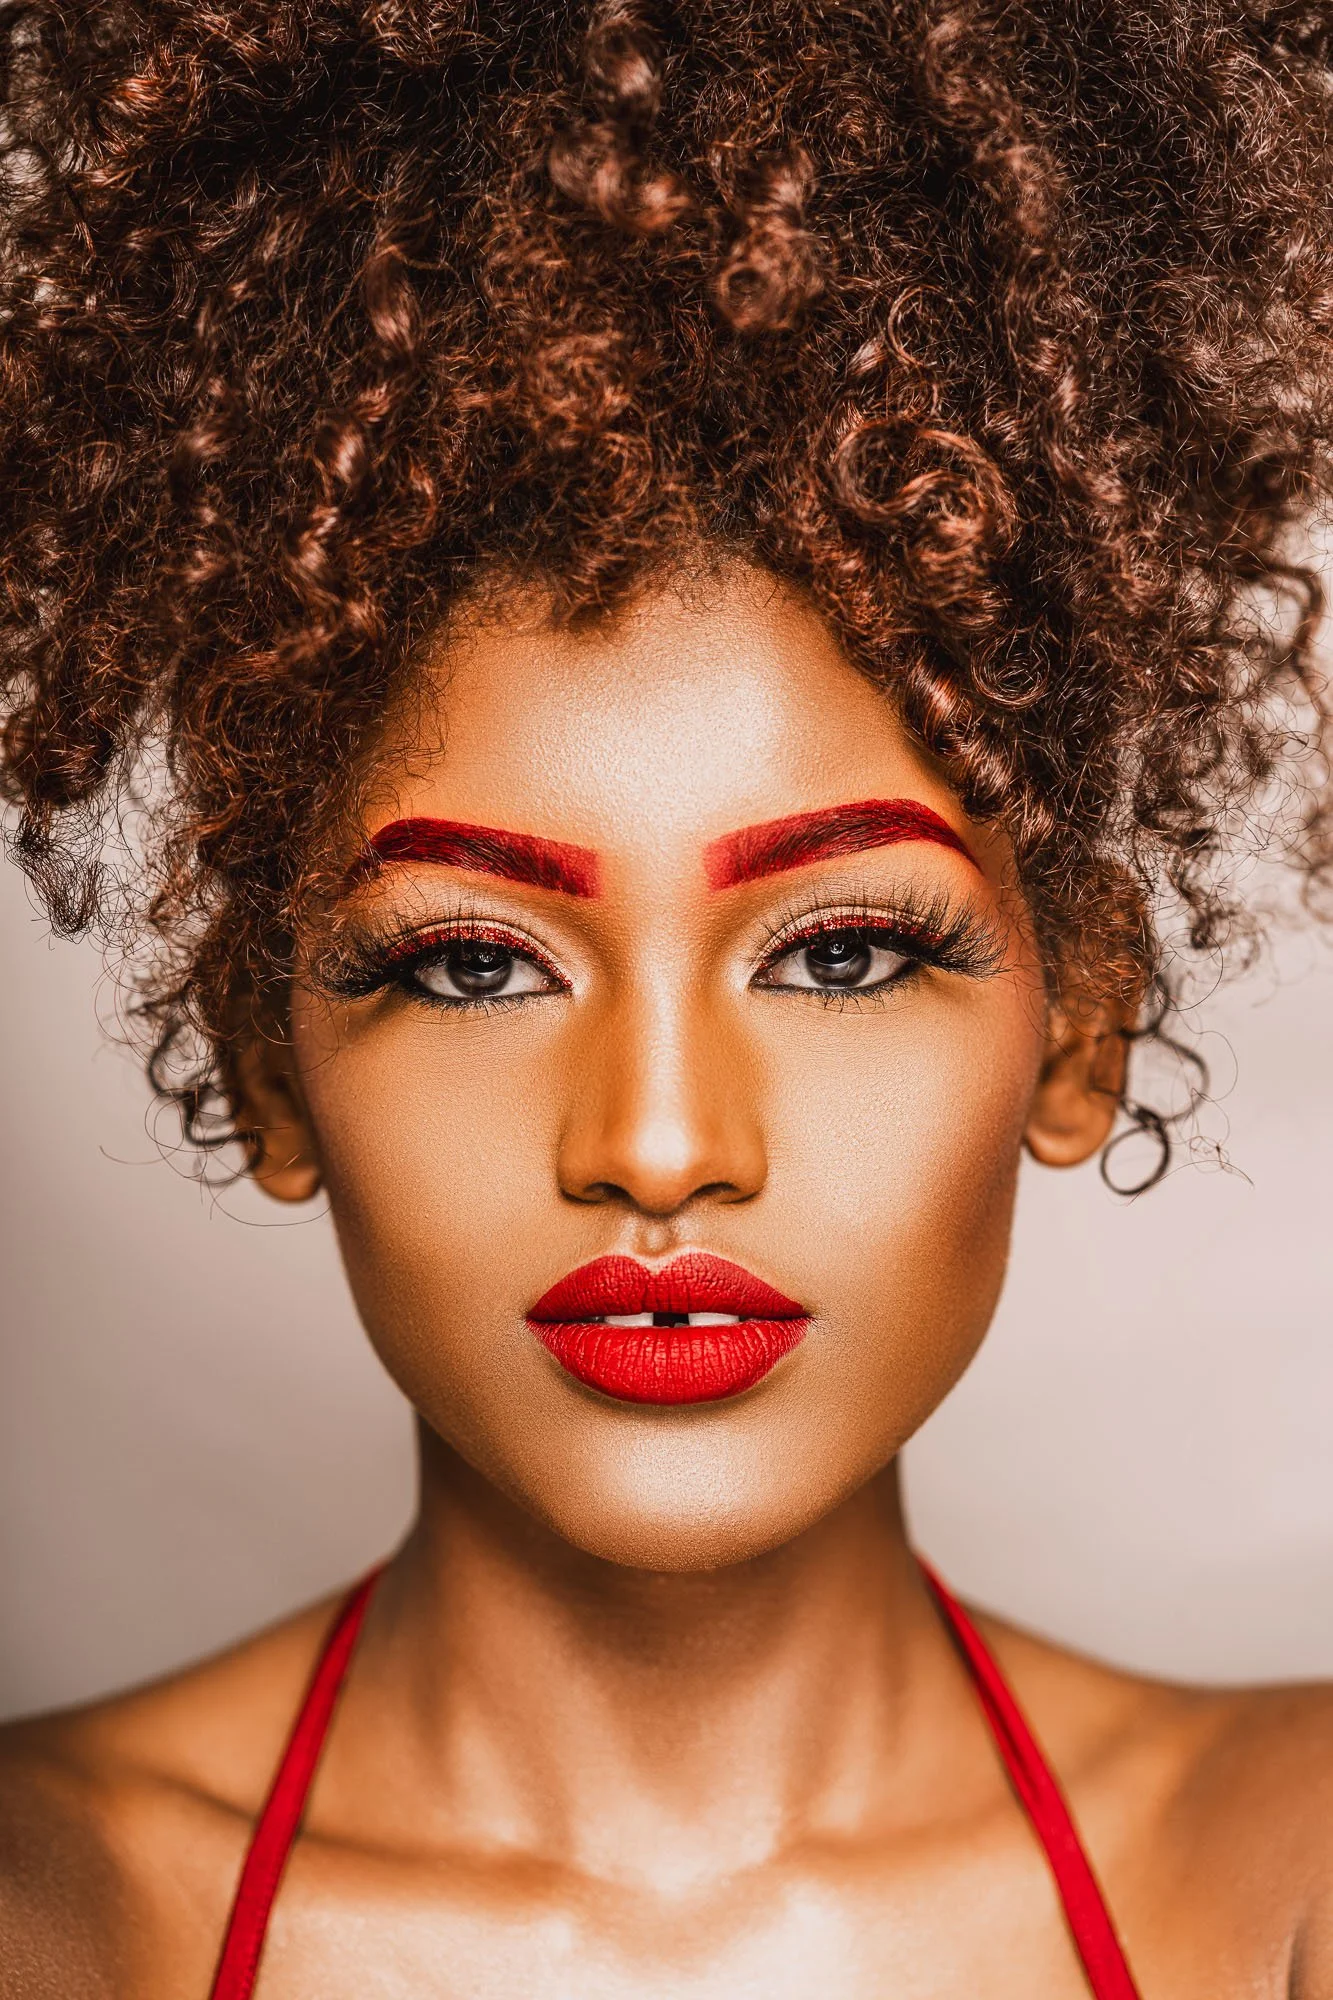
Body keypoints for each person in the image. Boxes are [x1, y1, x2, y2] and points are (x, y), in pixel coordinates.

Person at [2, 0, 1333, 1992]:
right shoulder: (49, 1915)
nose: (655, 1143)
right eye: (471, 961)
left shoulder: (1295, 1877)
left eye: (843, 951)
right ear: (268, 1063)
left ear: (1080, 1022)